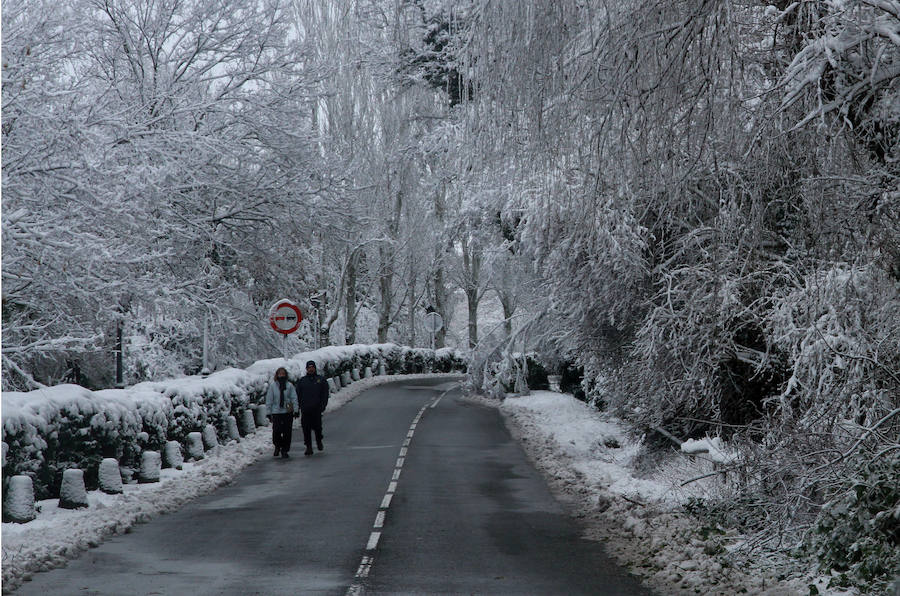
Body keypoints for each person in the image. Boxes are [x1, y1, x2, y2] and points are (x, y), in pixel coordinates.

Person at [294, 360, 329, 456]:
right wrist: (297, 408)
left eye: (312, 367)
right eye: (309, 367)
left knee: (317, 428)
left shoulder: (321, 380)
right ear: (306, 369)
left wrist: (323, 405)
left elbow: (325, 394)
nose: (311, 369)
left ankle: (319, 440)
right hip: (305, 409)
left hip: (317, 408)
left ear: (315, 368)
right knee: (306, 429)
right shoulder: (302, 381)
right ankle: (308, 446)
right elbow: (297, 395)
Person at [265, 367, 298, 458]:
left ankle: (285, 450)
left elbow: (294, 398)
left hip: (287, 411)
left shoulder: (289, 386)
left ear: (286, 375)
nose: (281, 375)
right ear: (277, 375)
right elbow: (269, 399)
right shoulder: (273, 386)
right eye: (280, 374)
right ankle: (277, 446)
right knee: (277, 431)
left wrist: (295, 410)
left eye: (283, 374)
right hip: (276, 412)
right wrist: (268, 411)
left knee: (287, 432)